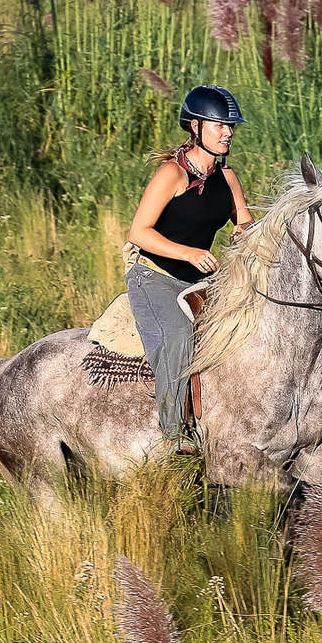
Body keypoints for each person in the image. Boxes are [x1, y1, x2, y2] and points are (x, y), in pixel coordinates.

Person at [125, 84, 254, 451]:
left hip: (198, 282)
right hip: (155, 277)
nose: (228, 133)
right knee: (180, 335)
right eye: (220, 126)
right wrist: (189, 253)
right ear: (195, 128)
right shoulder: (172, 174)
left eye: (231, 127)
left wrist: (247, 234)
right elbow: (139, 232)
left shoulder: (227, 179)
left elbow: (242, 222)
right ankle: (172, 434)